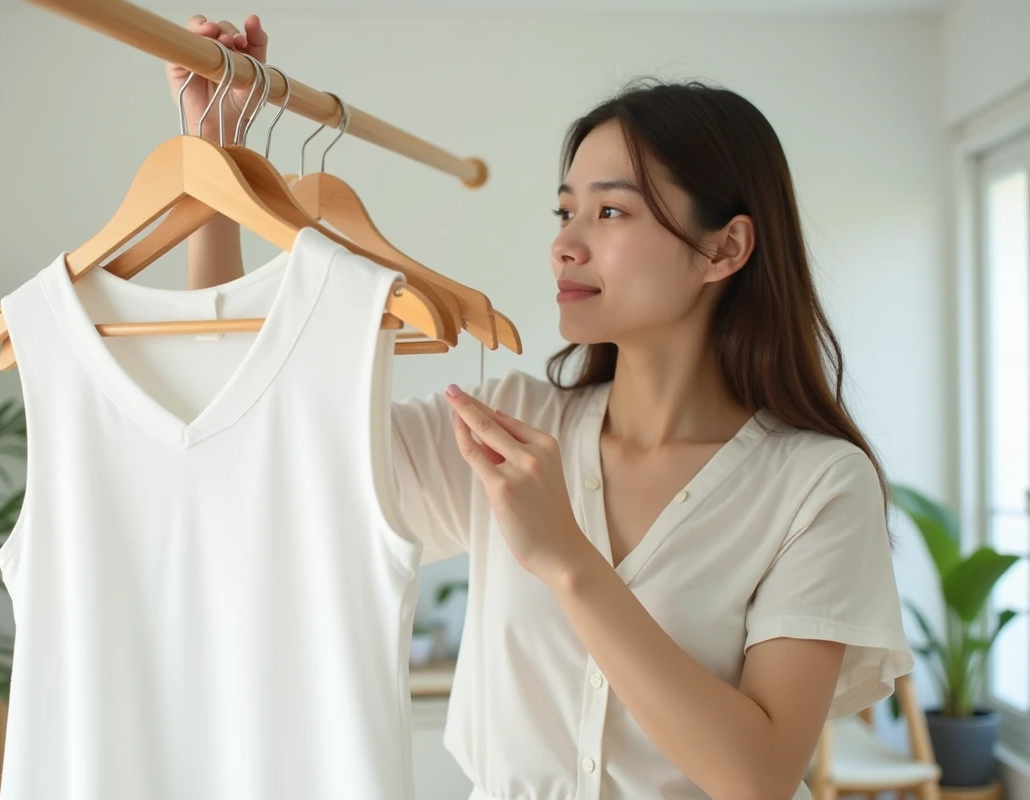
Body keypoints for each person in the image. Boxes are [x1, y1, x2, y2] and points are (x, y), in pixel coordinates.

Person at [166, 15, 914, 800]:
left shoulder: (820, 485)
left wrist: (566, 559)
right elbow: (246, 439)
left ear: (725, 249)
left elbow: (757, 775)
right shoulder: (504, 426)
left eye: (611, 212)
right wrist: (216, 165)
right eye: (565, 212)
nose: (566, 244)